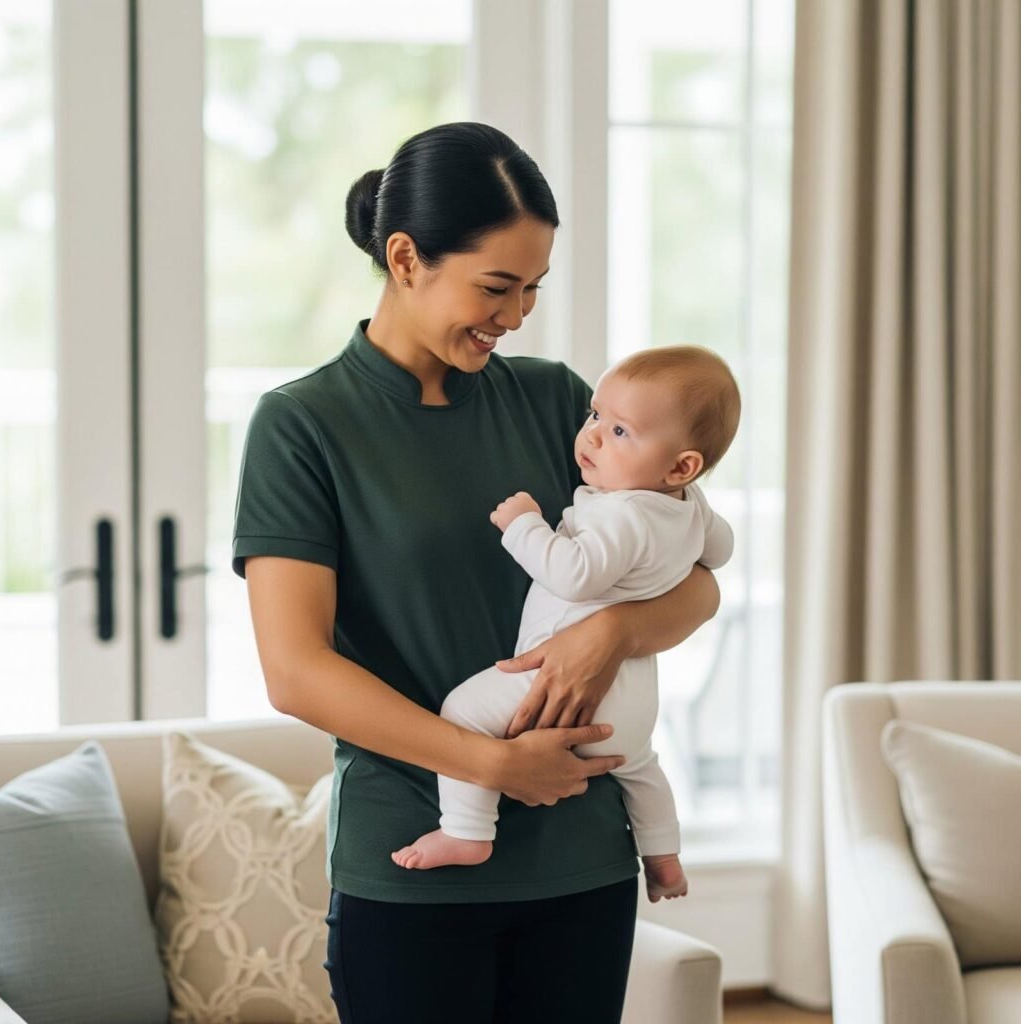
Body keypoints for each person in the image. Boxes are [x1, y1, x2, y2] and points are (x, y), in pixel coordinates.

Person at [232, 122, 721, 1024]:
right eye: (496, 286)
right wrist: (494, 765)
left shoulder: (560, 401)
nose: (518, 314)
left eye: (533, 288)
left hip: (582, 856)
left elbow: (697, 583)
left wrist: (611, 632)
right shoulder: (303, 426)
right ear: (405, 258)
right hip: (412, 862)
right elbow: (296, 671)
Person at [392, 345, 740, 907]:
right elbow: (719, 551)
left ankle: (466, 830)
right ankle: (663, 857)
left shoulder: (624, 514)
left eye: (620, 431)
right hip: (630, 700)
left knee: (462, 711)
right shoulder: (689, 504)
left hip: (559, 681)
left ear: (681, 465)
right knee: (640, 765)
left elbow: (574, 574)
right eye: (595, 415)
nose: (593, 436)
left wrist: (523, 524)